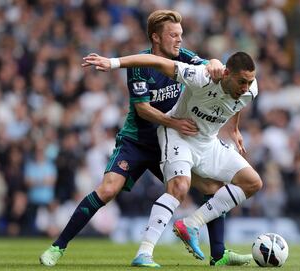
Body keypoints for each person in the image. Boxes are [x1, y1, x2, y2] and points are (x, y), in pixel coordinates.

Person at [39, 10, 250, 267]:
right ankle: (57, 247)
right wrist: (174, 122)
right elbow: (143, 109)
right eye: (173, 35)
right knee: (108, 190)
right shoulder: (141, 64)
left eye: (181, 35)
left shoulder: (183, 57)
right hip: (139, 140)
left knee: (212, 188)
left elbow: (215, 70)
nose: (179, 40)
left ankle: (219, 255)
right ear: (156, 38)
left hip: (172, 140)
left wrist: (216, 61)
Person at [82, 50, 262, 262]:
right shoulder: (201, 76)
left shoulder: (250, 90)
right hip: (179, 135)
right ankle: (144, 253)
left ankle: (190, 224)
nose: (246, 88)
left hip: (208, 142)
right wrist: (112, 62)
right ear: (227, 73)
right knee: (180, 187)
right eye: (242, 81)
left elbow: (237, 102)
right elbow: (155, 61)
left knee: (253, 183)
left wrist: (235, 128)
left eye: (249, 82)